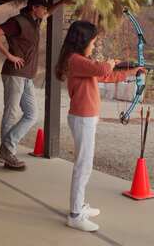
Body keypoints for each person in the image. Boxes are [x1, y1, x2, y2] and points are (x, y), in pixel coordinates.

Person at [55, 20, 144, 232]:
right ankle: (75, 214)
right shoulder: (75, 60)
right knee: (82, 167)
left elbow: (105, 75)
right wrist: (113, 62)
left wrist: (132, 72)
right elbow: (104, 68)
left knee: (84, 165)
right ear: (83, 41)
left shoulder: (81, 61)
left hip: (86, 118)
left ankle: (79, 206)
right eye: (93, 42)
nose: (94, 46)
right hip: (82, 118)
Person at [0, 0, 74, 170]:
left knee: (31, 114)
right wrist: (9, 56)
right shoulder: (17, 21)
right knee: (11, 114)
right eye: (43, 7)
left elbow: (49, 12)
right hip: (14, 74)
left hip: (27, 76)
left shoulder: (36, 21)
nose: (45, 11)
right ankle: (8, 154)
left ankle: (6, 149)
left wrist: (63, 2)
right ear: (34, 8)